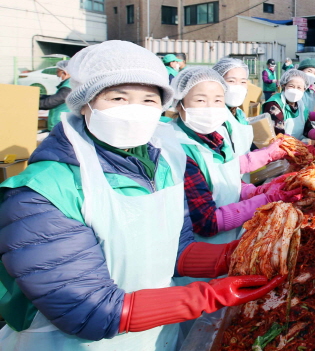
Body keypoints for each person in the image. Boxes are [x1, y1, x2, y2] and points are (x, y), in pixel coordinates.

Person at [0, 41, 282, 350]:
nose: (134, 109)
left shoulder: (164, 166)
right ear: (84, 103)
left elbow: (177, 250)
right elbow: (87, 309)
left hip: (156, 336)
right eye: (118, 97)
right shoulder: (43, 191)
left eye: (149, 99)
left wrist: (241, 257)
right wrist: (211, 295)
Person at [169, 67, 298, 246]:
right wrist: (266, 199)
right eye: (200, 100)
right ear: (178, 102)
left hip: (232, 239)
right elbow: (207, 221)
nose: (210, 108)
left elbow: (227, 175)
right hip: (203, 256)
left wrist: (254, 191)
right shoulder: (177, 148)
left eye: (217, 100)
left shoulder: (217, 136)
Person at [262, 69, 315, 141]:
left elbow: (307, 128)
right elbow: (278, 133)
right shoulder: (273, 105)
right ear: (284, 86)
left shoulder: (301, 105)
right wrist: (300, 145)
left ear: (304, 89)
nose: (295, 90)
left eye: (299, 87)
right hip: (278, 147)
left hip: (295, 146)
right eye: (291, 86)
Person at [212, 57, 253, 155]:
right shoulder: (214, 116)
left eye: (243, 82)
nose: (238, 87)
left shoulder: (239, 113)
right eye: (231, 81)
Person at [39, 59, 72, 131]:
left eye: (58, 73)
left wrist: (30, 104)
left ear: (64, 72)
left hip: (63, 127)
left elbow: (51, 102)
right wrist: (37, 96)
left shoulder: (69, 86)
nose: (57, 75)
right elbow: (55, 97)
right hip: (59, 126)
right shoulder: (68, 85)